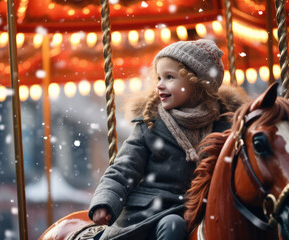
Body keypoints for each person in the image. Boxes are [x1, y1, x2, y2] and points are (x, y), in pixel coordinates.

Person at [88, 39, 240, 240]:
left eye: (170, 77)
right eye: (159, 77)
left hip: (204, 210)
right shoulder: (150, 125)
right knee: (173, 224)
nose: (160, 85)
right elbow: (123, 170)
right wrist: (105, 201)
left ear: (197, 83)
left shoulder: (224, 127)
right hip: (152, 213)